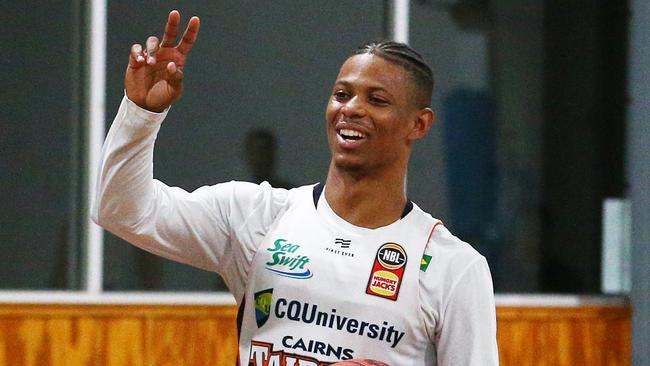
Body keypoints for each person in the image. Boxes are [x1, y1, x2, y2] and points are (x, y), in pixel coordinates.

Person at [92, 10, 499, 366]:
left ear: (419, 124)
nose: (351, 108)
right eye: (342, 94)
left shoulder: (453, 268)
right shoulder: (256, 215)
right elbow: (122, 211)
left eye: (377, 99)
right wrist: (141, 113)